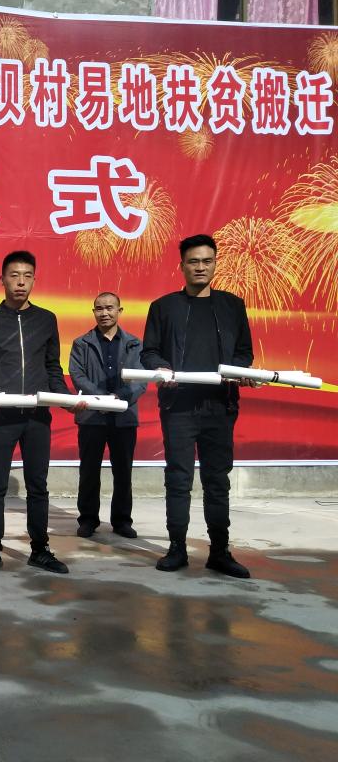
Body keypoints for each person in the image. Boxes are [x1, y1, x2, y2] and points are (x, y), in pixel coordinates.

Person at [141, 234, 255, 578]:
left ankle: (219, 551)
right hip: (179, 407)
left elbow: (244, 352)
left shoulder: (232, 306)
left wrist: (240, 371)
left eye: (207, 261)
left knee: (217, 480)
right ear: (182, 266)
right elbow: (149, 352)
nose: (200, 267)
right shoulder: (164, 307)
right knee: (178, 478)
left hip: (220, 405)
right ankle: (176, 548)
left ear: (216, 263)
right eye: (194, 261)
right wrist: (161, 368)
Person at [0, 250, 82, 575]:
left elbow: (52, 367)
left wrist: (67, 400)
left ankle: (40, 549)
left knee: (37, 485)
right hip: (2, 415)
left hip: (37, 417)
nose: (21, 282)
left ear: (34, 280)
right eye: (14, 275)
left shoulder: (46, 319)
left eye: (27, 276)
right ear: (2, 279)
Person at [69, 292, 146, 540]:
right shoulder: (82, 343)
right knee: (89, 471)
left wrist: (119, 399)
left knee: (123, 472)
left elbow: (141, 380)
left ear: (119, 311)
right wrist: (102, 399)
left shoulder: (135, 344)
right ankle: (88, 519)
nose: (105, 313)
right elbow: (77, 375)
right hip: (92, 416)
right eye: (99, 309)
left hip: (124, 417)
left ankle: (122, 521)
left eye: (110, 308)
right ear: (94, 312)